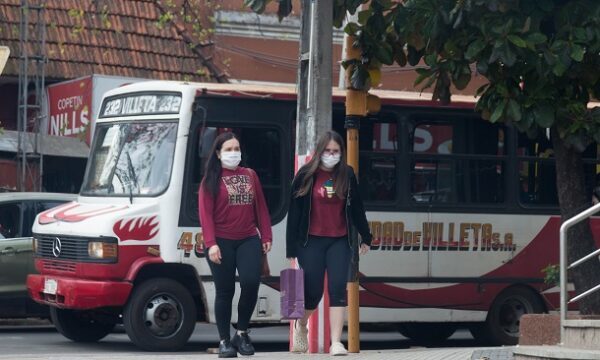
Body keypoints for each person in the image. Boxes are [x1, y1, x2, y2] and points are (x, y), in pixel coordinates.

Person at [286, 130, 372, 356]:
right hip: (310, 241)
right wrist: (290, 248)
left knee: (337, 289)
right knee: (313, 291)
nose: (332, 155)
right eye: (328, 151)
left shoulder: (347, 174)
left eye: (336, 151)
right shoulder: (305, 175)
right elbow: (294, 213)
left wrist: (366, 237)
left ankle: (336, 342)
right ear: (320, 151)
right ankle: (301, 324)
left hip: (339, 241)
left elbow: (357, 209)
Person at [198, 131, 272, 358]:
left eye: (236, 149)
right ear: (218, 154)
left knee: (251, 283)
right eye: (228, 150)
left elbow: (260, 206)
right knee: (225, 291)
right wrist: (211, 244)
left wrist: (266, 236)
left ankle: (241, 332)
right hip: (221, 241)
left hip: (249, 237)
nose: (233, 153)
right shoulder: (210, 179)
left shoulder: (250, 175)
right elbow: (205, 215)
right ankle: (224, 341)